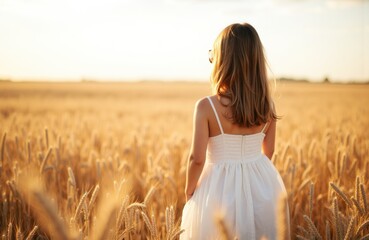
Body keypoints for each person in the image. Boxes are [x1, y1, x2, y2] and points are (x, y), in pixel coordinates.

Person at [180, 23, 290, 240]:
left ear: (222, 61)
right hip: (262, 184)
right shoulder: (267, 106)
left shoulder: (206, 107)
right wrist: (249, 175)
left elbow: (197, 159)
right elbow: (268, 151)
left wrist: (190, 191)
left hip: (217, 189)